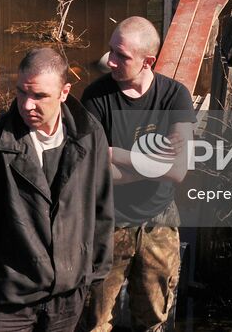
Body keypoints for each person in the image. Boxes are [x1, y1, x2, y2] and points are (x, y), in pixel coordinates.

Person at [0, 47, 114, 332]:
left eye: (39, 96)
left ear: (64, 92)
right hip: (8, 302)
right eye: (21, 93)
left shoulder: (90, 136)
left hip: (67, 297)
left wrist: (94, 272)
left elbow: (101, 205)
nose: (27, 105)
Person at [81, 17, 195, 332]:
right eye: (110, 51)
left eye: (121, 56)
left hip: (158, 224)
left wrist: (117, 154)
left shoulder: (175, 96)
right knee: (96, 321)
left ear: (148, 61)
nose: (110, 61)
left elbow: (179, 170)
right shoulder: (96, 98)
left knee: (153, 320)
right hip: (108, 224)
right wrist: (155, 165)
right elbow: (94, 170)